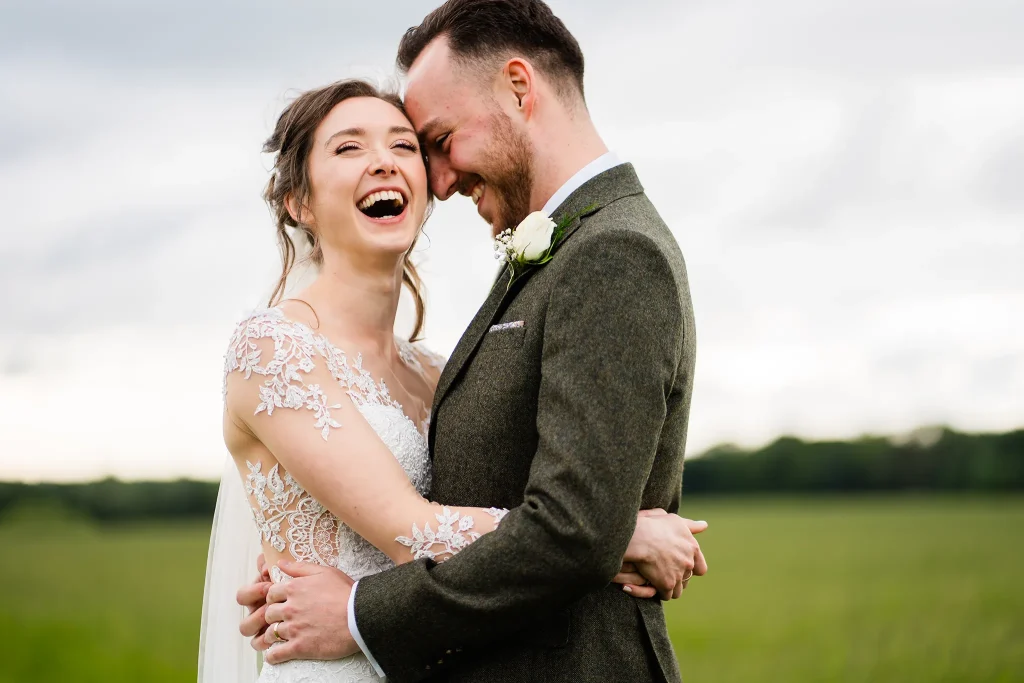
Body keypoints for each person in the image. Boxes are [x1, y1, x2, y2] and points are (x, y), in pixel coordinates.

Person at [201, 74, 705, 683]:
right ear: (298, 203)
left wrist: (588, 531)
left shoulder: (438, 371)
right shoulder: (273, 351)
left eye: (405, 146)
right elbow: (413, 533)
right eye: (349, 147)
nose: (383, 163)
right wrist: (616, 538)